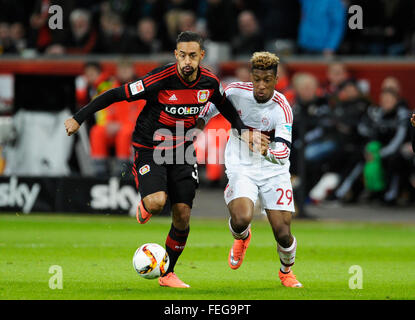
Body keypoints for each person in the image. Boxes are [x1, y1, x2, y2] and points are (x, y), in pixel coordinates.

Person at [64, 31, 265, 288]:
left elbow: (225, 106)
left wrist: (243, 130)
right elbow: (116, 94)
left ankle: (167, 273)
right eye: (182, 55)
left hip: (183, 149)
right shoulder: (160, 78)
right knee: (157, 203)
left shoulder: (209, 83)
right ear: (176, 55)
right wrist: (78, 118)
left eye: (193, 55)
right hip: (150, 147)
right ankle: (146, 202)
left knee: (182, 215)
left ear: (201, 56)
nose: (187, 61)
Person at [197, 51, 302, 288]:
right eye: (257, 79)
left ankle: (286, 271)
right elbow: (210, 109)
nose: (261, 86)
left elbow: (284, 152)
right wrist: (197, 124)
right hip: (241, 164)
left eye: (267, 80)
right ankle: (242, 237)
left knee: (283, 233)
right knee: (242, 218)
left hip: (273, 170)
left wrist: (264, 150)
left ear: (276, 80)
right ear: (251, 77)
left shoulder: (282, 108)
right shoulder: (235, 91)